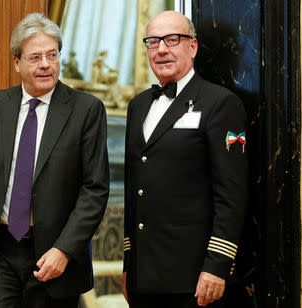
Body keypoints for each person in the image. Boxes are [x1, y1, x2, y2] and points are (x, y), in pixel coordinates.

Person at [0, 13, 109, 308]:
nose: (46, 64)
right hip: (0, 249)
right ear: (16, 63)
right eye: (35, 57)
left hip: (54, 256)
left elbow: (94, 189)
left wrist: (64, 249)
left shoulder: (86, 110)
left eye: (52, 55)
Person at [121, 11, 248, 308]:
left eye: (172, 39)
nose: (162, 49)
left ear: (192, 47)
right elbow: (133, 189)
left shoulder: (220, 103)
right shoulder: (137, 106)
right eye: (153, 42)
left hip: (192, 279)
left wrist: (217, 265)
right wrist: (129, 264)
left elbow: (232, 194)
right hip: (143, 277)